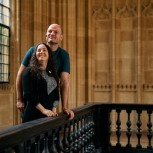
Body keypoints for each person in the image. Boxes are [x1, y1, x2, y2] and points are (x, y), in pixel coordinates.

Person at [16, 23, 74, 120]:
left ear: (61, 37)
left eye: (56, 32)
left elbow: (64, 82)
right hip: (33, 106)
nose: (52, 33)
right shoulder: (33, 50)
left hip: (48, 107)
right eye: (50, 31)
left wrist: (64, 107)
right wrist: (19, 99)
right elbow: (20, 75)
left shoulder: (63, 55)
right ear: (46, 35)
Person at [22, 43, 59, 122]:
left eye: (44, 50)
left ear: (49, 54)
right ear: (35, 54)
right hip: (33, 117)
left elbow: (56, 95)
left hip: (49, 116)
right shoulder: (29, 71)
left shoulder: (52, 73)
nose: (41, 52)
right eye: (39, 50)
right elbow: (28, 95)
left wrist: (54, 109)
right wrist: (44, 110)